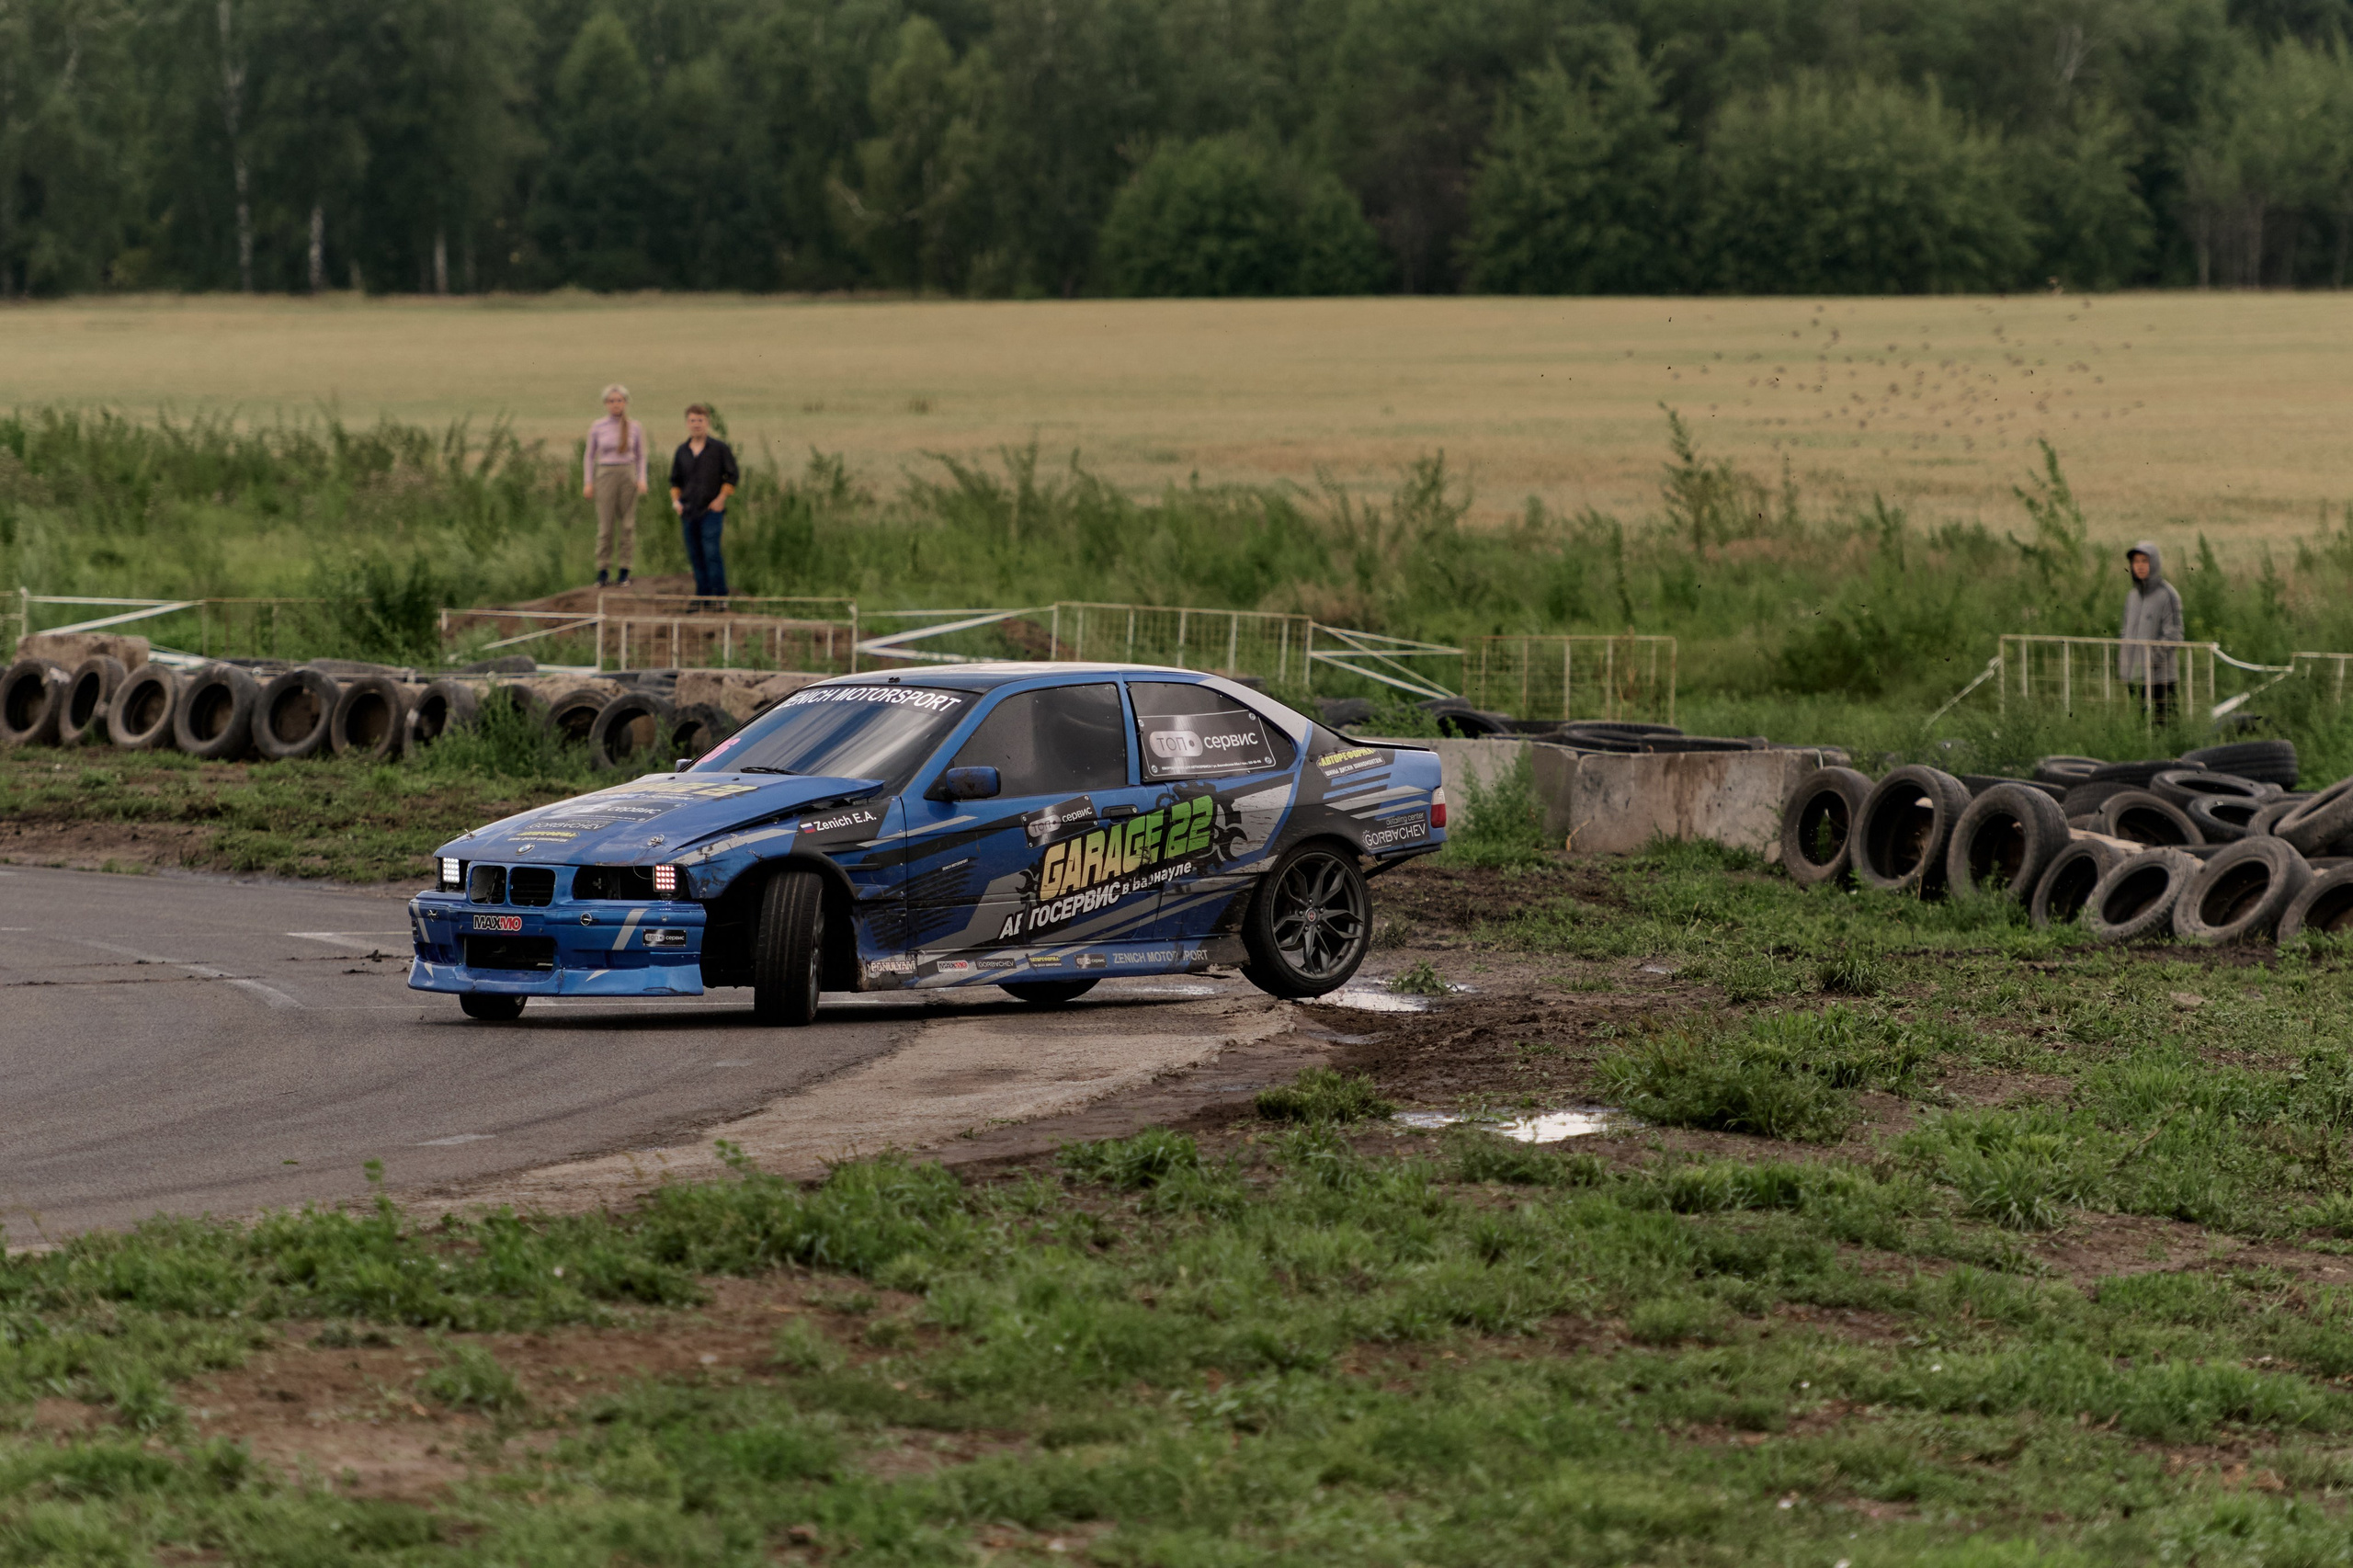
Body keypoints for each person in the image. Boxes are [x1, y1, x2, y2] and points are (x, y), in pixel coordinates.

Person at [669, 403, 739, 609]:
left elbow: (733, 475)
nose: (696, 424)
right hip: (688, 511)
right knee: (695, 554)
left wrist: (722, 499)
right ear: (687, 424)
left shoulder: (719, 449)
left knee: (711, 552)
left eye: (700, 420)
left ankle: (720, 596)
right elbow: (674, 481)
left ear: (707, 423)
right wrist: (676, 502)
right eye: (692, 421)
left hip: (711, 510)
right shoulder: (682, 451)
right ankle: (702, 595)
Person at [582, 383, 647, 588]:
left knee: (627, 525)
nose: (616, 404)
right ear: (606, 404)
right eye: (611, 401)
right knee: (605, 526)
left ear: (625, 402)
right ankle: (603, 570)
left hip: (627, 473)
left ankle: (625, 570)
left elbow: (641, 455)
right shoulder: (598, 426)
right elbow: (589, 455)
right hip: (605, 473)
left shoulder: (634, 426)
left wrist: (642, 478)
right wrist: (588, 482)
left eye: (619, 400)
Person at [2119, 539, 2185, 723]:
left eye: (2144, 561)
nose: (2139, 566)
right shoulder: (2132, 597)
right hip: (2134, 676)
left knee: (2164, 725)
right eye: (2136, 561)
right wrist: (2127, 663)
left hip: (2160, 678)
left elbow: (2174, 635)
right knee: (2138, 726)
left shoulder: (2167, 595)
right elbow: (2125, 631)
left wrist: (2149, 660)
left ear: (2154, 563)